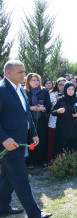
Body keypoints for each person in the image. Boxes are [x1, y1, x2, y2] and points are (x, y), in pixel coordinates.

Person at [0, 60, 51, 217]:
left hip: (20, 142)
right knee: (21, 178)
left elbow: (26, 114)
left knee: (8, 177)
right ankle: (35, 213)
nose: (24, 75)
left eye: (24, 71)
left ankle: (2, 206)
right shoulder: (1, 90)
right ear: (8, 72)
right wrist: (4, 139)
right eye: (20, 72)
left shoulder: (21, 89)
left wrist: (33, 132)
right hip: (8, 144)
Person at [51, 82, 77, 155]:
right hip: (63, 129)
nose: (71, 91)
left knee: (75, 148)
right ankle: (63, 164)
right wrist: (58, 111)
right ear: (65, 90)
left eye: (72, 89)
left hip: (75, 129)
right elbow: (52, 111)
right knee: (63, 149)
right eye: (69, 89)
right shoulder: (60, 99)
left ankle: (75, 164)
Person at [25, 73, 51, 169]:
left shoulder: (44, 91)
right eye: (33, 80)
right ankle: (30, 161)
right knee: (30, 139)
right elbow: (23, 105)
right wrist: (31, 108)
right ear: (28, 82)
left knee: (42, 139)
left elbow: (49, 106)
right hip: (30, 120)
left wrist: (43, 108)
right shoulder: (25, 91)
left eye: (37, 80)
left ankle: (42, 160)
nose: (36, 82)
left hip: (42, 119)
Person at [47, 77, 66, 162]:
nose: (62, 87)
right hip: (54, 120)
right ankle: (51, 159)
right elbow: (50, 108)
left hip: (65, 121)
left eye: (64, 85)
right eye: (60, 85)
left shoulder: (69, 93)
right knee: (52, 141)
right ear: (57, 85)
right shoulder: (52, 94)